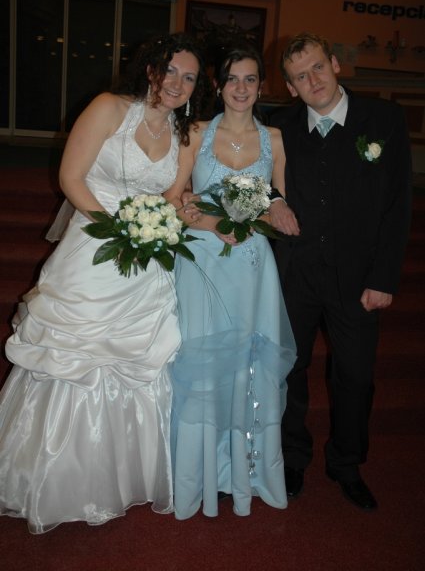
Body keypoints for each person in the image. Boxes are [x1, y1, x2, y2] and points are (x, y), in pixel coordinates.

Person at [0, 32, 210, 534]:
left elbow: (171, 195)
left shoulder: (186, 134)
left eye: (189, 77)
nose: (178, 83)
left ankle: (119, 477)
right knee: (75, 355)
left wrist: (181, 213)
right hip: (96, 243)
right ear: (150, 69)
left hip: (146, 258)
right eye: (170, 70)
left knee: (137, 359)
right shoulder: (109, 108)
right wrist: (118, 230)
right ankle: (50, 477)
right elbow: (71, 177)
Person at [269, 32, 412, 510]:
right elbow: (247, 175)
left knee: (356, 376)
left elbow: (398, 205)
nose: (312, 81)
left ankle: (346, 463)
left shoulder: (384, 119)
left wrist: (384, 278)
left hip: (358, 278)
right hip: (296, 274)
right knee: (289, 370)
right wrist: (272, 201)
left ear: (334, 64)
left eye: (317, 67)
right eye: (300, 76)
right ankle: (292, 457)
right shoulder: (279, 126)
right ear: (291, 88)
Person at [164, 42, 297, 520]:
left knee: (247, 364)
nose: (241, 88)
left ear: (261, 87)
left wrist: (270, 210)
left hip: (252, 267)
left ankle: (241, 473)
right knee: (202, 363)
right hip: (203, 261)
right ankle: (198, 472)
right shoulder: (196, 132)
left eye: (250, 79)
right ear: (219, 86)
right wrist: (210, 222)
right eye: (233, 79)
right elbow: (173, 197)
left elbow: (277, 203)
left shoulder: (275, 138)